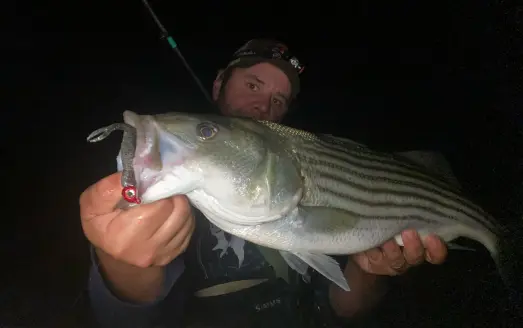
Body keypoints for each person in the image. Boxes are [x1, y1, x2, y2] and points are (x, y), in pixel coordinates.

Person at [80, 39, 449, 328]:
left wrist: (368, 272)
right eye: (252, 85)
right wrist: (124, 266)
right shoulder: (189, 187)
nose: (263, 107)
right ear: (219, 83)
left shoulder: (301, 162)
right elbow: (131, 322)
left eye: (278, 100)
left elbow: (343, 312)